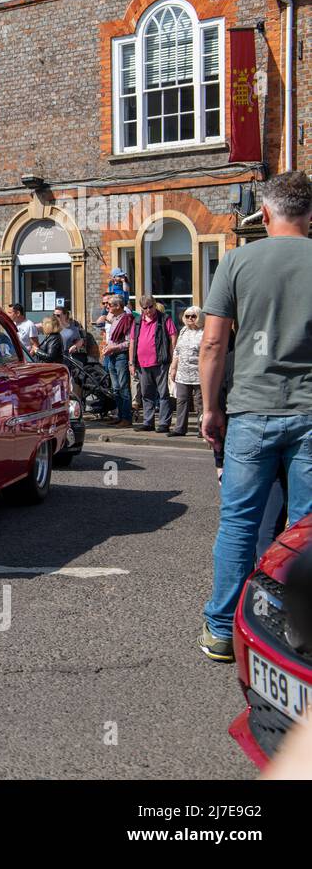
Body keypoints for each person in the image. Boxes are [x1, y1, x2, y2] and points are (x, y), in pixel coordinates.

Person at [198, 170, 312, 662]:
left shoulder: (237, 261)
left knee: (240, 525)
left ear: (264, 213)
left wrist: (209, 408)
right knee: (306, 527)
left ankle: (222, 631)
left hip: (251, 410)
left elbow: (212, 343)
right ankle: (300, 632)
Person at [130, 293, 177, 432]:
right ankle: (148, 422)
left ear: (155, 305)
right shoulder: (137, 321)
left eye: (151, 306)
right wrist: (131, 363)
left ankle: (163, 423)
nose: (148, 310)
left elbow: (173, 337)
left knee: (163, 394)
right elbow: (132, 342)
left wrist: (173, 358)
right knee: (146, 394)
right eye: (145, 308)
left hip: (161, 362)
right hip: (142, 364)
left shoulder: (164, 319)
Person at [168, 306, 204, 437]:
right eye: (187, 316)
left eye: (193, 316)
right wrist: (173, 368)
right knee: (181, 400)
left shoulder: (204, 332)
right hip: (183, 372)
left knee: (200, 402)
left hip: (199, 372)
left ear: (199, 317)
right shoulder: (183, 330)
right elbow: (177, 351)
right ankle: (180, 428)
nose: (190, 319)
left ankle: (202, 429)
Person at [100, 294, 134, 427]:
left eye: (110, 305)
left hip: (121, 356)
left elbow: (128, 342)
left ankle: (126, 417)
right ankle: (119, 415)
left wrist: (113, 347)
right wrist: (108, 347)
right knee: (115, 388)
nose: (107, 307)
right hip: (112, 355)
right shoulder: (113, 318)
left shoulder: (127, 320)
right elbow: (111, 338)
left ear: (118, 306)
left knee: (123, 387)